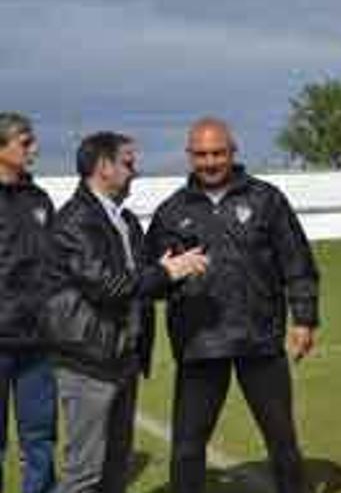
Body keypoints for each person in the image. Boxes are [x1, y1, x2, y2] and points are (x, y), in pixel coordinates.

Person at [146, 117, 320, 493]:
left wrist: (304, 319)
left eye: (218, 153)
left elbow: (297, 262)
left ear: (233, 152)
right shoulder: (170, 212)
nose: (210, 162)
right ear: (189, 156)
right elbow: (150, 279)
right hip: (199, 345)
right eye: (202, 154)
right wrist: (167, 275)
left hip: (259, 340)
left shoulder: (266, 199)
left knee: (281, 439)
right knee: (188, 447)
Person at [43, 131, 207, 493]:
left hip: (124, 359)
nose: (136, 171)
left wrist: (173, 272)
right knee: (83, 474)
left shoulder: (127, 220)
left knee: (116, 467)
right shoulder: (75, 222)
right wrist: (167, 271)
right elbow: (109, 287)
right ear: (103, 167)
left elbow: (141, 283)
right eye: (128, 163)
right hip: (88, 361)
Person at [0, 112, 56, 493]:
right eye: (25, 141)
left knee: (40, 437)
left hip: (37, 341)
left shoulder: (39, 199)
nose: (34, 148)